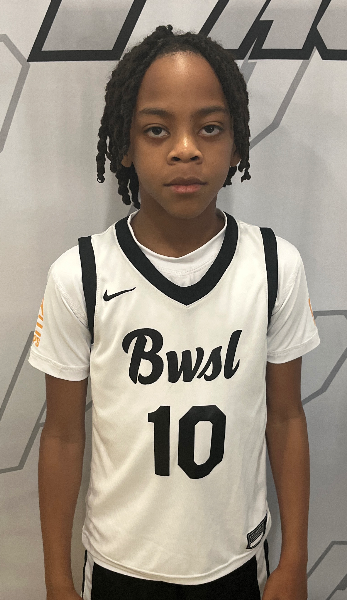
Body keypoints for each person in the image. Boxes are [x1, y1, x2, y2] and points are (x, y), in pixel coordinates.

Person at [30, 25, 320, 600]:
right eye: (157, 129)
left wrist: (294, 559)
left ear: (237, 144)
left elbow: (286, 418)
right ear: (125, 145)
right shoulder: (80, 274)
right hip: (119, 566)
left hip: (236, 561)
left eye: (209, 128)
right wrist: (57, 579)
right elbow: (62, 436)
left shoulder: (273, 265)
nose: (185, 148)